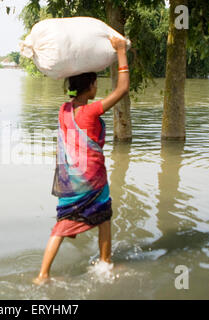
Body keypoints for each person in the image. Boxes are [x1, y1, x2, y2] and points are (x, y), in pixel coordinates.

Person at [33, 36, 130, 285]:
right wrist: (120, 51)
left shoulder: (64, 110)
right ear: (92, 86)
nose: (97, 88)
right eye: (96, 84)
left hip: (71, 182)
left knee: (62, 226)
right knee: (104, 217)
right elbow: (122, 89)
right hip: (94, 179)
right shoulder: (91, 111)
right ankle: (105, 263)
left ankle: (43, 275)